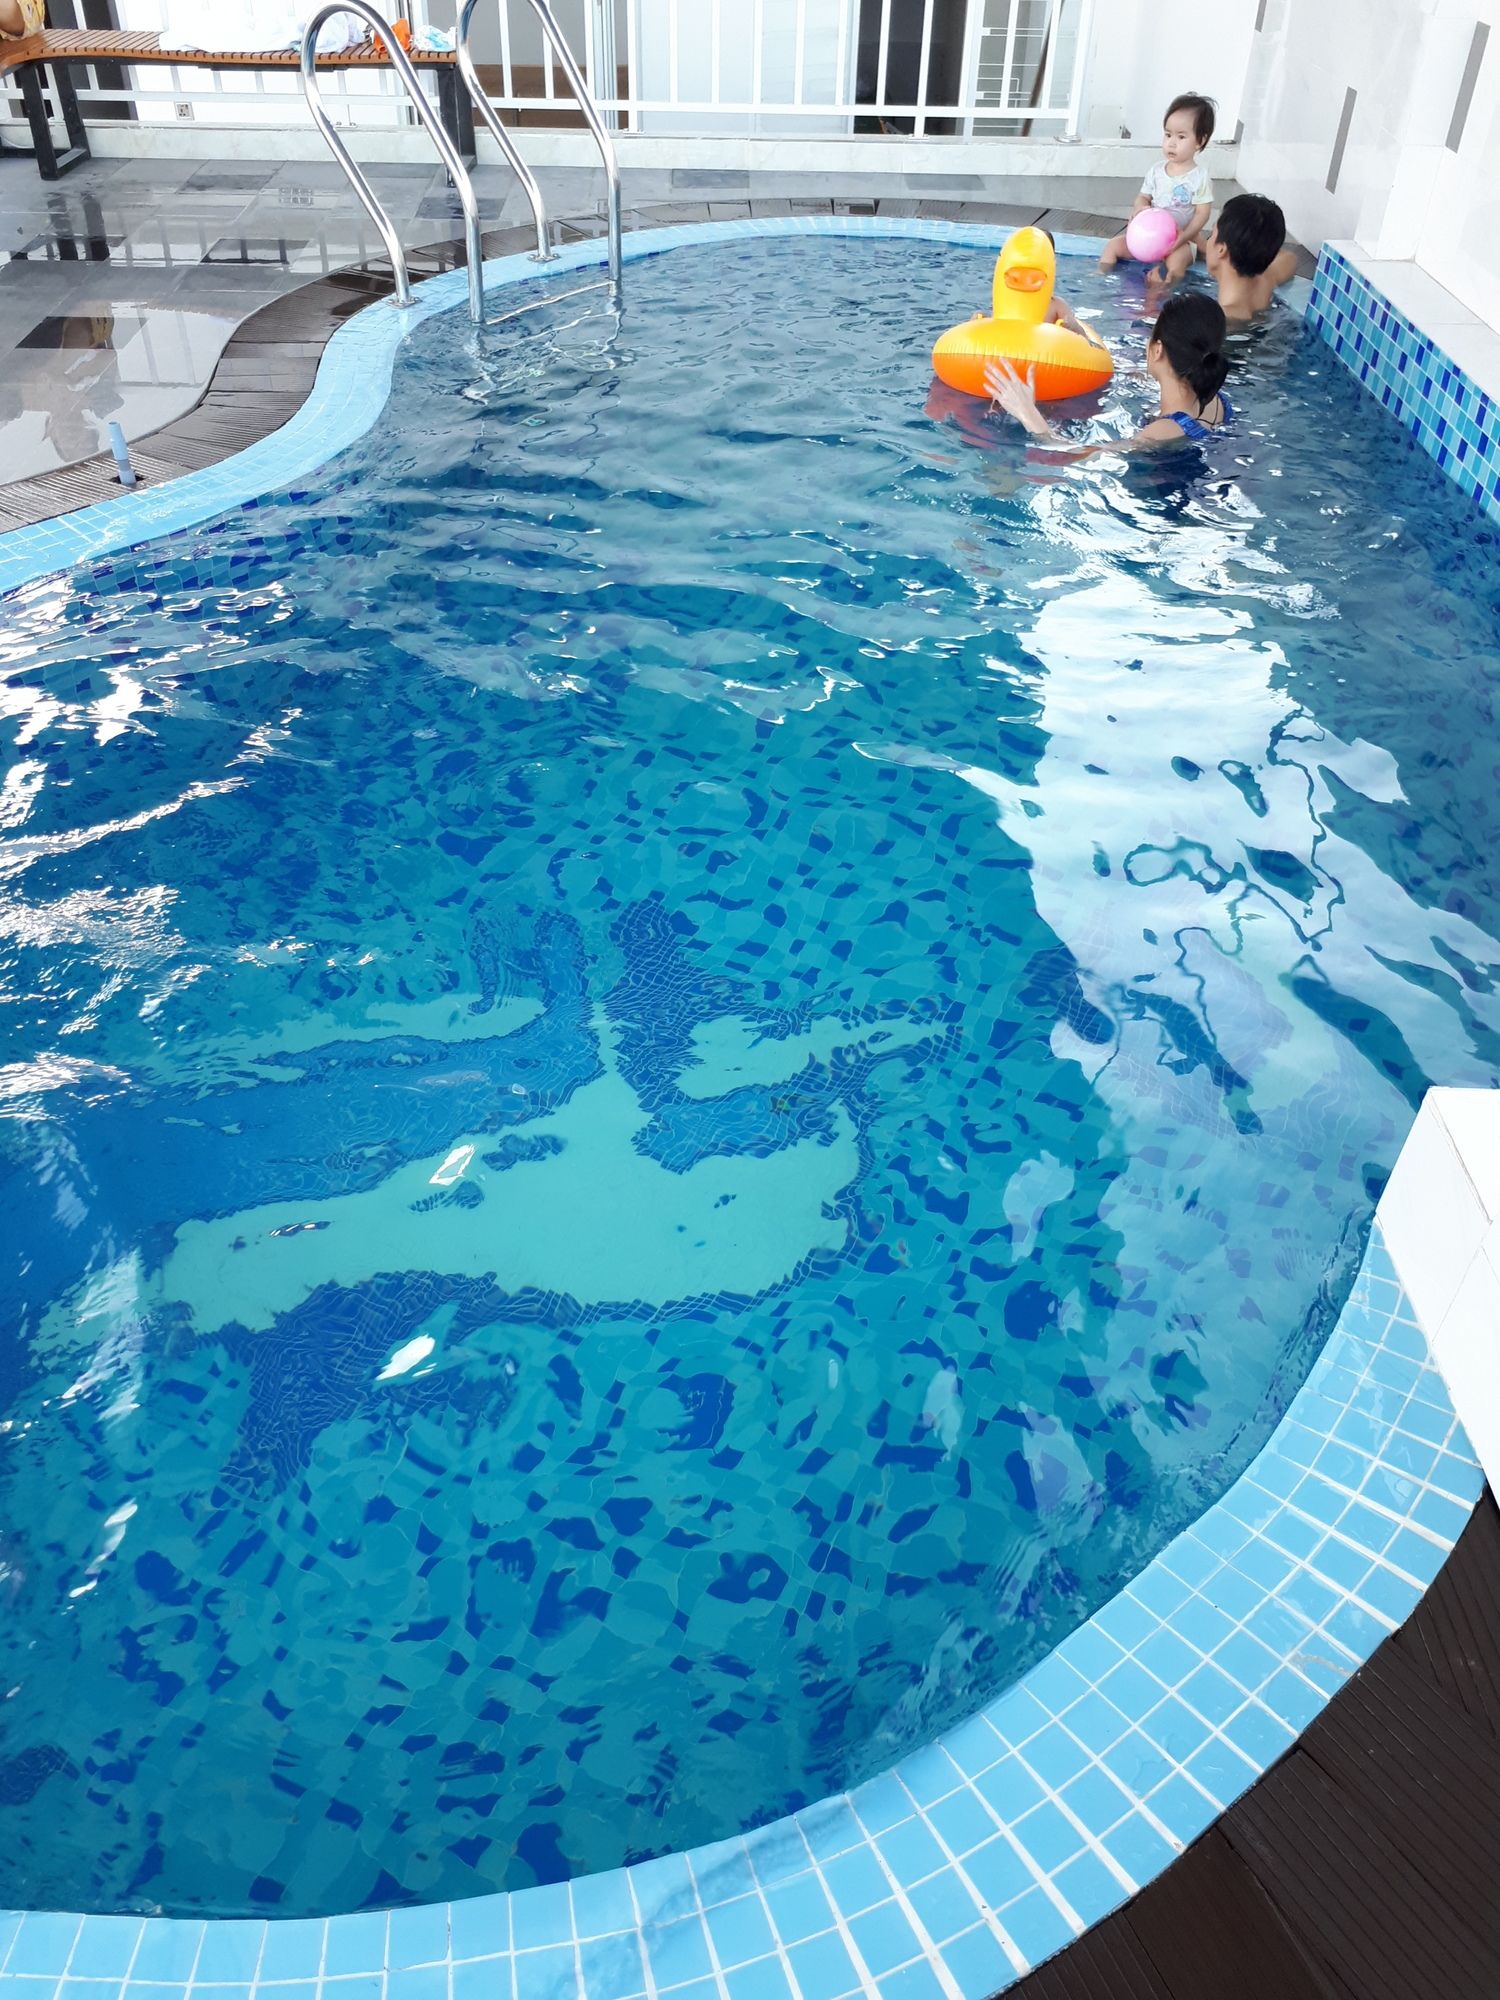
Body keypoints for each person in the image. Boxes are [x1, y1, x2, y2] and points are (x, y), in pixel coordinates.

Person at [984, 292, 1233, 452]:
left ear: (1157, 350)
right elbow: (1139, 374)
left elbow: (1080, 455)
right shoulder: (1216, 400)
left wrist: (1028, 414)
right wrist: (1083, 343)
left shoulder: (1160, 433)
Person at [1100, 93, 1216, 274]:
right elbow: (1143, 197)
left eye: (1181, 137)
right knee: (1112, 246)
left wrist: (1184, 236)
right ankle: (1101, 276)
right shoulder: (1156, 171)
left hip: (1179, 241)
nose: (1171, 143)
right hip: (1148, 238)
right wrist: (1140, 208)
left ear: (1199, 141)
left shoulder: (1199, 177)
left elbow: (1202, 214)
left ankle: (1163, 286)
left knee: (1176, 264)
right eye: (1168, 135)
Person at [1203, 192, 1301, 320]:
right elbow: (1290, 258)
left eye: (1212, 234)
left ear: (1221, 250)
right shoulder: (1266, 280)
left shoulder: (1221, 317)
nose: (1207, 242)